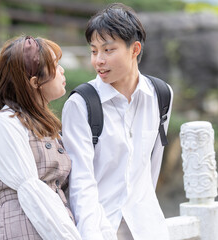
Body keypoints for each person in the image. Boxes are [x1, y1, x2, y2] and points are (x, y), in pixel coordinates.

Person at [61, 3, 173, 240]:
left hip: (148, 228)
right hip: (102, 228)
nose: (98, 60)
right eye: (93, 51)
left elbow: (152, 167)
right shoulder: (81, 104)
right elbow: (81, 182)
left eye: (108, 50)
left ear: (135, 49)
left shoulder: (162, 95)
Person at [0, 35, 81, 240]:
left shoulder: (46, 128)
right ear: (35, 82)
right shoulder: (5, 124)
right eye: (55, 65)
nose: (62, 70)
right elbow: (30, 189)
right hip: (24, 228)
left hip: (50, 227)